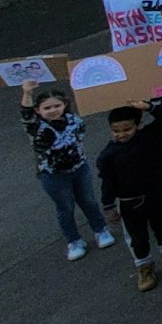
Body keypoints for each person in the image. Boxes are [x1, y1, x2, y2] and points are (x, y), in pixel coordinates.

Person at [100, 97, 162, 291]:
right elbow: (107, 183)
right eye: (116, 131)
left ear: (139, 125)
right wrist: (108, 205)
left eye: (127, 129)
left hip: (155, 192)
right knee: (137, 237)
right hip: (129, 202)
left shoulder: (150, 136)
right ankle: (144, 267)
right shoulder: (108, 155)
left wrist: (148, 106)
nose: (121, 134)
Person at [20, 81, 115, 260]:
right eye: (47, 107)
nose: (53, 110)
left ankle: (100, 230)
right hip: (53, 175)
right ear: (38, 110)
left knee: (89, 201)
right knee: (65, 207)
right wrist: (27, 93)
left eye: (57, 105)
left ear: (65, 105)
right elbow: (25, 114)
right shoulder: (35, 127)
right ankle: (74, 241)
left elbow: (80, 138)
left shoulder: (75, 121)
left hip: (79, 169)